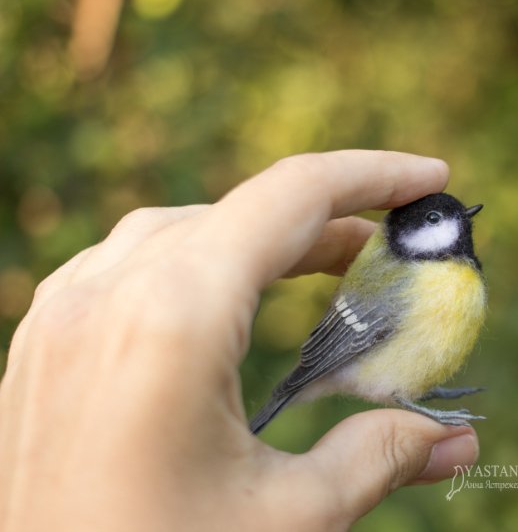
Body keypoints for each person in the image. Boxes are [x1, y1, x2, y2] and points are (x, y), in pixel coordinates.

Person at [0, 150, 480, 531]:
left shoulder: (450, 278)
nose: (458, 223)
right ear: (415, 236)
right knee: (396, 390)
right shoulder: (415, 281)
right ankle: (413, 402)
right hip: (357, 361)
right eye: (439, 220)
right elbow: (348, 337)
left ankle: (419, 397)